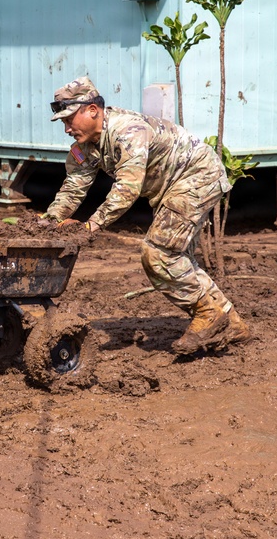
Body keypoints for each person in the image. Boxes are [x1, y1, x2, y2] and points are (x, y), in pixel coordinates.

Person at [40, 77, 252, 355]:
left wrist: (91, 226)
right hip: (170, 188)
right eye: (63, 123)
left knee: (158, 253)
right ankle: (232, 322)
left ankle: (207, 312)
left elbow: (127, 189)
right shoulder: (86, 145)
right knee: (177, 257)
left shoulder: (128, 132)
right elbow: (73, 188)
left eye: (70, 120)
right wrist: (47, 223)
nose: (67, 128)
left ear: (92, 110)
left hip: (197, 176)